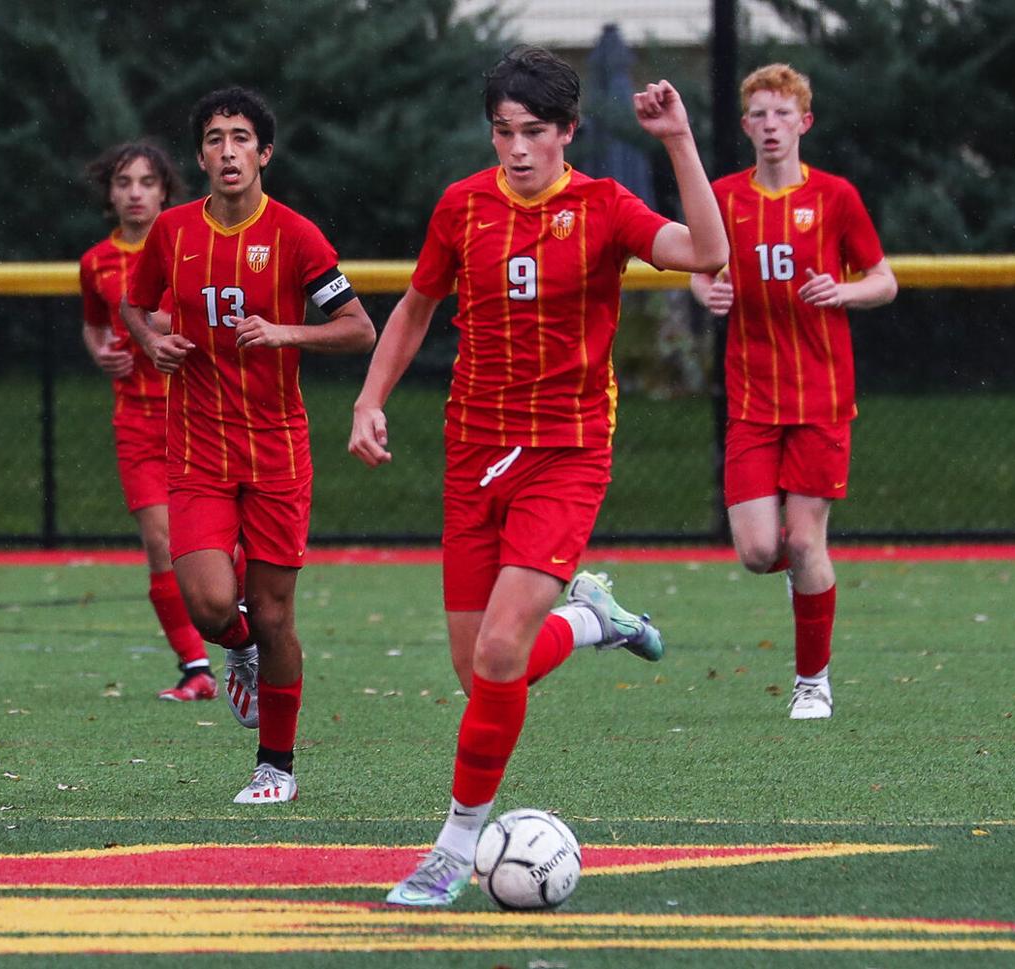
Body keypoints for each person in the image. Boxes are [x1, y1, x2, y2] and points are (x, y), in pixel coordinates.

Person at [348, 46, 727, 906]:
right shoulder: (462, 206)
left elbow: (706, 249)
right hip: (471, 453)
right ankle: (592, 621)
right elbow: (415, 306)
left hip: (564, 452)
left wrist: (678, 142)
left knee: (496, 650)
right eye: (502, 133)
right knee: (481, 670)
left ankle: (451, 848)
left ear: (567, 132)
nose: (516, 150)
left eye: (534, 133)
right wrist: (371, 398)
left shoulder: (601, 207)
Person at [123, 86, 376, 803]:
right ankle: (234, 651)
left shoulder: (296, 235)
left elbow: (360, 328)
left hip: (276, 452)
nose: (227, 151)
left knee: (273, 614)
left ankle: (277, 767)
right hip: (199, 446)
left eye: (240, 138)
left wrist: (286, 331)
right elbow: (133, 304)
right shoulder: (171, 232)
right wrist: (152, 340)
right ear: (199, 156)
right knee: (210, 605)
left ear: (264, 153)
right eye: (213, 138)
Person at [689, 63, 898, 720]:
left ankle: (812, 682)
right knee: (758, 552)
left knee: (806, 541)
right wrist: (707, 289)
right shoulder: (723, 196)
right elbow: (699, 267)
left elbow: (883, 279)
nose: (770, 125)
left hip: (820, 396)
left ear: (803, 123)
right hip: (751, 398)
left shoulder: (835, 196)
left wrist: (845, 290)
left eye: (783, 114)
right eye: (759, 115)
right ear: (745, 125)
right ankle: (806, 584)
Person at [80, 141, 233, 704]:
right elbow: (95, 325)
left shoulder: (188, 243)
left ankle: (243, 638)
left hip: (199, 413)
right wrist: (102, 352)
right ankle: (196, 666)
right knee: (160, 542)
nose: (135, 192)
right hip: (139, 422)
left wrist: (153, 322)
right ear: (111, 193)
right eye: (124, 183)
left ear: (166, 189)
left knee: (221, 546)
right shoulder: (96, 262)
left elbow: (205, 314)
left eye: (146, 182)